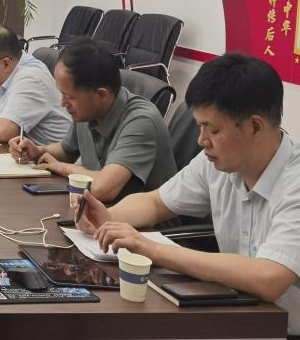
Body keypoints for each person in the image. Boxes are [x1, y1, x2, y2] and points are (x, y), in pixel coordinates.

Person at [77, 53, 300, 333]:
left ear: (255, 126)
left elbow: (269, 277)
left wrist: (152, 249)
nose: (201, 140)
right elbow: (155, 202)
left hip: (282, 328)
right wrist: (107, 218)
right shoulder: (217, 163)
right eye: (200, 126)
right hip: (235, 313)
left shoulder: (294, 183)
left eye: (213, 129)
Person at [8, 38, 176, 201]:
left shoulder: (141, 121)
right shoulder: (87, 110)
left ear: (101, 94)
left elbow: (104, 189)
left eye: (70, 97)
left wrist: (64, 168)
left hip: (141, 218)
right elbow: (67, 150)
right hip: (98, 208)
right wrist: (38, 152)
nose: (62, 103)